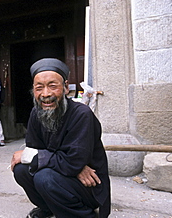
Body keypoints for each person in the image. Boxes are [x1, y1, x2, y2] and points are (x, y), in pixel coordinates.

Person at [10, 58, 111, 218]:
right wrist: (69, 165)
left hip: (89, 185)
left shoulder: (81, 114)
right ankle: (48, 208)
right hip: (63, 174)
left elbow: (73, 161)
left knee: (44, 176)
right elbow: (35, 149)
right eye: (39, 88)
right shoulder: (36, 113)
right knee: (22, 170)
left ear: (65, 88)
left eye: (52, 86)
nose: (46, 94)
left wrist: (35, 157)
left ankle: (82, 214)